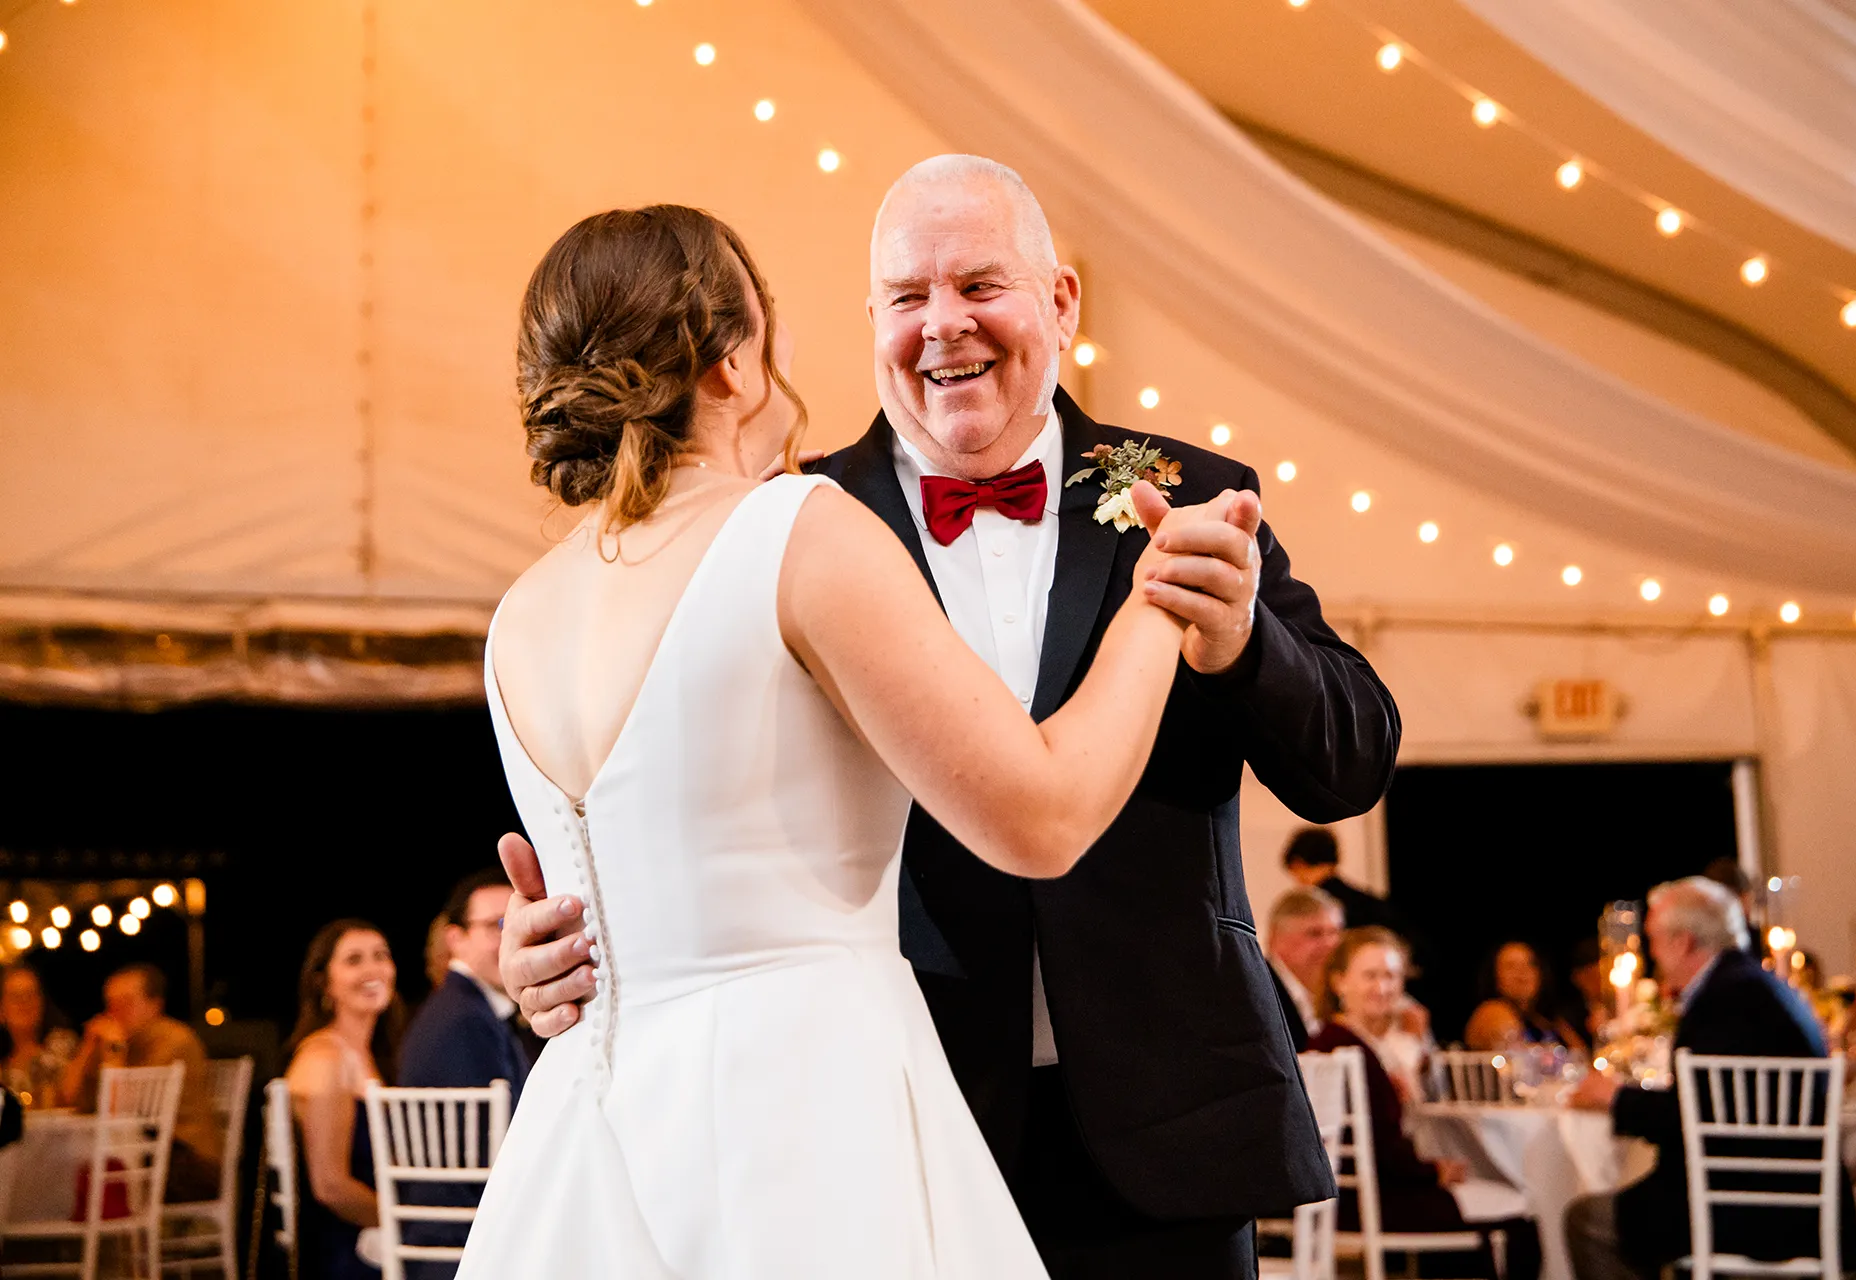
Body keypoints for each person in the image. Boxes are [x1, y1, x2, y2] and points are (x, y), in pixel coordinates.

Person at [490, 156, 1400, 1278]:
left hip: (1168, 1126)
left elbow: (1354, 758)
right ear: (867, 318)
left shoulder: (1191, 489)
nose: (942, 325)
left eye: (979, 285)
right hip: (894, 1121)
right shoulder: (786, 524)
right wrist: (570, 945)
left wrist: (1244, 640)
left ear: (1061, 302)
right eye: (908, 297)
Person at [1564, 877, 1856, 1280]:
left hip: (1745, 1206)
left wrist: (1616, 1099)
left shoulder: (1725, 1000)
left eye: (1653, 940)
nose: (1652, 955)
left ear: (1683, 942)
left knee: (1586, 1221)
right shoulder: (1762, 986)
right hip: (1799, 1201)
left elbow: (1692, 1116)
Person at [1308, 929, 1539, 1280]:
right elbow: (1380, 1147)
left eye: (1392, 976)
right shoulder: (1347, 1049)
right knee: (1520, 1210)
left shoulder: (1343, 1043)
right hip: (1370, 1200)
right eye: (1371, 976)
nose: (1383, 988)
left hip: (1359, 1195)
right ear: (1339, 981)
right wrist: (1433, 1171)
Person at [396, 871, 526, 1279]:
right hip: (466, 1241)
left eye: (519, 923)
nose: (512, 940)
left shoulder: (459, 1009)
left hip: (451, 1229)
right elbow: (510, 1143)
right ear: (456, 939)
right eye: (497, 926)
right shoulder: (466, 1020)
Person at [285, 920, 404, 1280]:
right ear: (324, 982)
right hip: (345, 1254)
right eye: (354, 960)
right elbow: (330, 1186)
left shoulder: (369, 1054)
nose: (372, 969)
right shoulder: (325, 1058)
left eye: (380, 956)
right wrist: (408, 1222)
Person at [58, 963, 221, 1201]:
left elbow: (119, 1114)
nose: (115, 1012)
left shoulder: (173, 1041)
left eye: (126, 1002)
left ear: (155, 1005)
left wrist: (115, 1051)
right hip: (146, 1156)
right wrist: (87, 1047)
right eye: (110, 1004)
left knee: (87, 1170)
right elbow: (68, 1099)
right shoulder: (124, 1040)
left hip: (187, 1161)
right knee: (69, 1165)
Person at [1463, 941, 1584, 1053]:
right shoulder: (1492, 1012)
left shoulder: (1546, 1021)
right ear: (1494, 976)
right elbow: (1519, 1063)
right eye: (1510, 966)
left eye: (1530, 964)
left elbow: (1582, 1058)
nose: (1522, 974)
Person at [1283, 827, 1404, 936]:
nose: (1297, 881)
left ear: (1298, 863)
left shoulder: (1319, 907)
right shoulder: (1371, 903)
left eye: (1296, 872)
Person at [1266, 888, 1344, 1050]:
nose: (1330, 944)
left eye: (1334, 932)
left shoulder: (1339, 990)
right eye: (1315, 933)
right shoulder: (1259, 989)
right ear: (1275, 938)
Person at [0, 964, 76, 1109]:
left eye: (30, 994)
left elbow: (70, 1097)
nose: (24, 1003)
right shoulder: (4, 1067)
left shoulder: (63, 1046)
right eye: (15, 997)